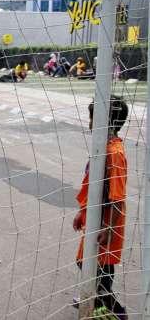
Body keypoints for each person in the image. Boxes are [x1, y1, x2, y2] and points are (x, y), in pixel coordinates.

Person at [72, 95, 128, 319]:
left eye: (92, 118)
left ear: (106, 121)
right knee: (86, 261)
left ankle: (116, 311)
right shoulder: (102, 148)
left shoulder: (114, 154)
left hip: (107, 222)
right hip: (94, 217)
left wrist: (108, 227)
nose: (89, 123)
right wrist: (81, 212)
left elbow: (117, 197)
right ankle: (95, 298)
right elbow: (92, 185)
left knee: (100, 266)